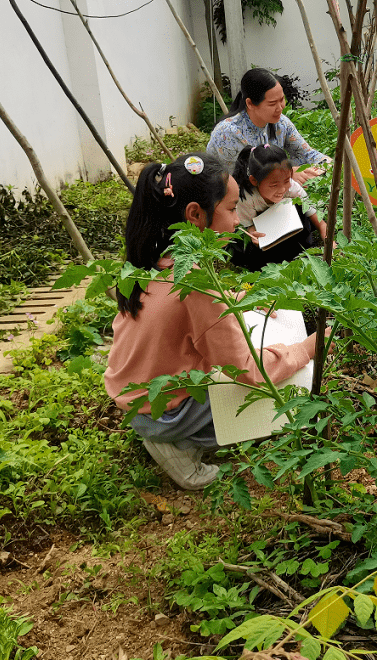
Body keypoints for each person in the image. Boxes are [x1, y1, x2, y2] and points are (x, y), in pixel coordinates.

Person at [104, 152, 324, 490]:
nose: (237, 221)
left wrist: (243, 301)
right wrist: (306, 349)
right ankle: (180, 444)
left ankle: (168, 431)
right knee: (286, 397)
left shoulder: (156, 256)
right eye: (232, 209)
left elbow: (185, 313)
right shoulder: (195, 284)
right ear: (195, 214)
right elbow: (249, 372)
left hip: (135, 394)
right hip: (164, 413)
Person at [207, 68, 330, 185]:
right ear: (250, 103)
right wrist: (289, 175)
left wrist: (324, 165)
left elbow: (307, 154)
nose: (280, 107)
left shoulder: (281, 123)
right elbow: (244, 181)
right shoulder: (228, 133)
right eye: (272, 103)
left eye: (282, 99)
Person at [229, 143, 328, 271]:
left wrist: (329, 241)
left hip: (291, 230)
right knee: (243, 251)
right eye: (274, 185)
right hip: (267, 235)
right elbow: (250, 227)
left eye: (286, 181)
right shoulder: (246, 198)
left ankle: (297, 254)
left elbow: (317, 220)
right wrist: (254, 234)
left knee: (302, 210)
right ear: (254, 181)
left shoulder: (292, 188)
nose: (282, 189)